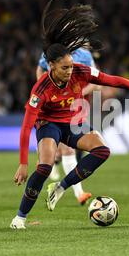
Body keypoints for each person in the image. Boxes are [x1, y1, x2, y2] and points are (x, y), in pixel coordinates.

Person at [10, 0, 129, 229]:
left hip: (72, 122)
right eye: (64, 68)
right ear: (51, 66)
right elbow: (25, 127)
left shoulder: (80, 71)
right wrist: (23, 163)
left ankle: (60, 187)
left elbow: (111, 80)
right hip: (48, 124)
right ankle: (19, 218)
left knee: (102, 150)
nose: (69, 71)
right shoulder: (40, 89)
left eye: (71, 66)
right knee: (45, 166)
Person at [36, 48, 98, 205]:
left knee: (79, 147)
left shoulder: (85, 55)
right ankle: (79, 193)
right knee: (68, 149)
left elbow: (96, 82)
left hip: (79, 107)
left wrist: (77, 91)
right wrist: (44, 93)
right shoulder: (52, 53)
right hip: (58, 108)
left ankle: (53, 161)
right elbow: (40, 71)